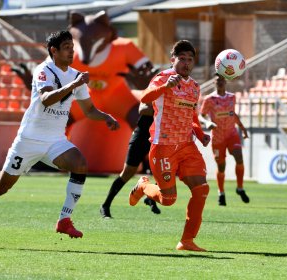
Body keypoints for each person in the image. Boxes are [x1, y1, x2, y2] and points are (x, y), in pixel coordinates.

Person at [0, 30, 119, 247]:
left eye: (73, 47)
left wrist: (105, 117)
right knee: (1, 187)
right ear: (54, 51)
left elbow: (89, 110)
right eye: (67, 48)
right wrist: (73, 85)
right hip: (28, 141)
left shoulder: (75, 75)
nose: (72, 52)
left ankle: (64, 219)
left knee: (80, 164)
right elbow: (46, 100)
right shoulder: (43, 70)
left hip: (55, 141)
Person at [128, 40, 211, 252]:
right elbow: (145, 98)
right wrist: (166, 87)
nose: (185, 63)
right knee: (168, 200)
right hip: (163, 145)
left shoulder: (194, 86)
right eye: (181, 58)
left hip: (186, 146)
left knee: (201, 189)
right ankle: (144, 186)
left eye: (190, 59)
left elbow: (192, 115)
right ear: (172, 59)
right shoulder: (162, 78)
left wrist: (200, 134)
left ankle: (187, 241)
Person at [100, 102, 160, 219]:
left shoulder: (174, 93)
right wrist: (162, 109)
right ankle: (105, 205)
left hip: (159, 138)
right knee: (128, 172)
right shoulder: (154, 88)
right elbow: (143, 109)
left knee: (162, 171)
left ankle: (151, 198)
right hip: (142, 136)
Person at [199, 74, 249, 206]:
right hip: (218, 138)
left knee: (239, 157)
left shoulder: (232, 97)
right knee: (221, 167)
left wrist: (242, 128)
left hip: (232, 134)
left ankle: (240, 188)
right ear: (214, 83)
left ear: (225, 81)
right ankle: (221, 193)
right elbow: (201, 116)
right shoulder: (209, 99)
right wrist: (207, 123)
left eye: (221, 80)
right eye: (217, 80)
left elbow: (233, 114)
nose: (219, 82)